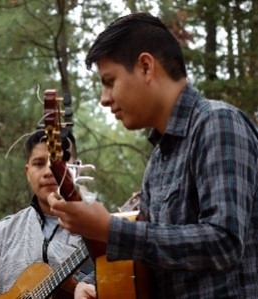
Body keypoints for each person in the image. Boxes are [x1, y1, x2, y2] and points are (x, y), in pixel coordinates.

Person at [47, 12, 258, 298]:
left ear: (146, 67)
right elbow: (151, 259)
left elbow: (224, 244)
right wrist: (101, 286)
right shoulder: (158, 161)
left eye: (109, 81)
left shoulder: (218, 123)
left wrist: (109, 229)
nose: (104, 98)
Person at [0, 129, 88, 298]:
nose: (49, 171)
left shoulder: (96, 230)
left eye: (58, 162)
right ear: (27, 172)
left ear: (76, 168)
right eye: (39, 163)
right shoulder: (4, 232)